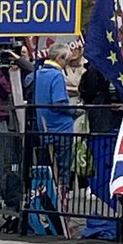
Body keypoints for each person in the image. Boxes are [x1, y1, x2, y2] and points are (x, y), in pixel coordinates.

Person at [26, 42, 76, 189]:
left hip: (44, 126)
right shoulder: (57, 75)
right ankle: (63, 193)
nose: (67, 64)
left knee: (48, 166)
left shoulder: (38, 74)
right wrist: (75, 111)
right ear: (60, 58)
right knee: (63, 167)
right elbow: (59, 102)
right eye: (67, 60)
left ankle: (50, 193)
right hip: (61, 127)